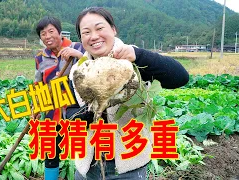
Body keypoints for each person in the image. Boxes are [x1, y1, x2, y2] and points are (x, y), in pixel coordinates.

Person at [67, 7, 190, 180]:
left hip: (129, 167)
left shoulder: (133, 61)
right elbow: (70, 109)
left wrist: (139, 55)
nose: (94, 36)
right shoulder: (78, 71)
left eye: (99, 28)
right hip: (87, 167)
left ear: (113, 29)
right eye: (86, 32)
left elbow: (180, 77)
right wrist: (85, 116)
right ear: (81, 39)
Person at [33, 16, 84, 180]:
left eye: (51, 31)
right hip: (51, 112)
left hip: (77, 110)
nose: (47, 37)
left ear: (60, 32)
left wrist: (78, 55)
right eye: (43, 34)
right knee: (51, 151)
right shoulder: (40, 57)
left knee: (83, 150)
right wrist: (36, 105)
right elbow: (38, 84)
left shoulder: (78, 47)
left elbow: (94, 66)